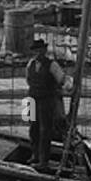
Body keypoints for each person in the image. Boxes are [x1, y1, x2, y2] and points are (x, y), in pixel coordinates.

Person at [25, 38, 67, 169]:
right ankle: (35, 155)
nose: (38, 53)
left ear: (44, 51)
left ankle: (43, 161)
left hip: (46, 100)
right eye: (36, 51)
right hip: (31, 99)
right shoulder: (30, 63)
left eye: (40, 50)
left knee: (45, 130)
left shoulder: (52, 65)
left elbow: (61, 79)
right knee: (33, 128)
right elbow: (28, 79)